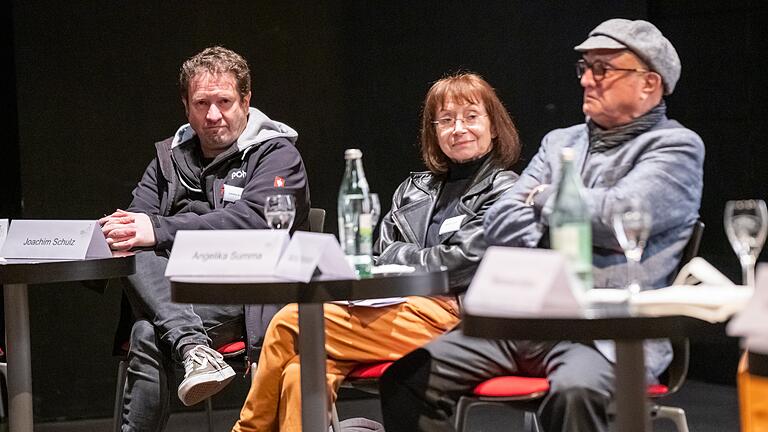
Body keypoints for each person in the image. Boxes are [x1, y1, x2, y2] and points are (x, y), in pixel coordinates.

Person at [380, 18, 704, 432]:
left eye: (603, 69)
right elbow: (499, 224)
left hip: (606, 335)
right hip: (527, 323)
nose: (587, 79)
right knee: (410, 377)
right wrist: (562, 215)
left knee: (573, 392)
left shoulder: (676, 147)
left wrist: (545, 198)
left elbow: (622, 215)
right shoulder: (560, 142)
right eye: (584, 68)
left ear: (649, 84)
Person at [231, 72, 520, 431]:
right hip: (393, 309)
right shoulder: (413, 190)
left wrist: (402, 254)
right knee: (299, 373)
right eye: (446, 120)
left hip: (458, 319)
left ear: (494, 126)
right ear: (434, 132)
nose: (458, 128)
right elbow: (376, 252)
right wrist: (409, 255)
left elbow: (458, 264)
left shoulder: (507, 191)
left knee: (291, 321)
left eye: (471, 116)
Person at [99, 46, 310, 432]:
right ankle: (194, 347)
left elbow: (257, 223)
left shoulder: (277, 155)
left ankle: (190, 344)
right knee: (132, 246)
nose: (213, 115)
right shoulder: (168, 159)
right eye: (201, 103)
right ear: (186, 106)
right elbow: (135, 221)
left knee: (148, 330)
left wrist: (163, 230)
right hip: (177, 293)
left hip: (246, 294)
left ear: (246, 101)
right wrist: (142, 231)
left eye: (225, 101)